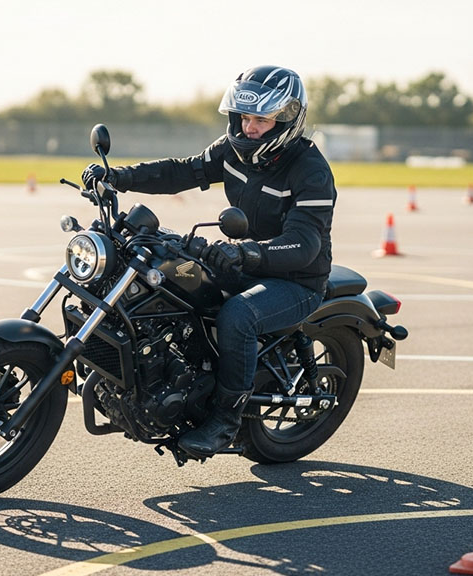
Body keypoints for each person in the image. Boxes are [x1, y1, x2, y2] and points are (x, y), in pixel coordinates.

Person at [82, 65, 335, 458]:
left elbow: (304, 244)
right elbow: (181, 171)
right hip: (246, 261)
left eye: (261, 120)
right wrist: (119, 178)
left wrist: (245, 252)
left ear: (286, 119)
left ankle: (225, 420)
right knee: (170, 276)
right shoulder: (233, 151)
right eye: (244, 117)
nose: (249, 128)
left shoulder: (311, 171)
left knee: (238, 316)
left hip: (297, 279)